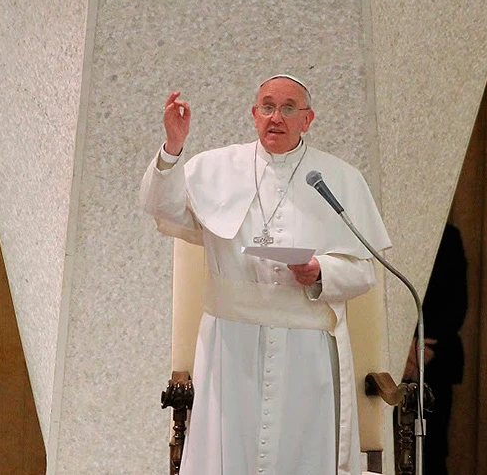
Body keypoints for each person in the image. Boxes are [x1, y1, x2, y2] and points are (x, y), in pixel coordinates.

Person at [139, 75, 391, 475]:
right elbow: (161, 209)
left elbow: (365, 272)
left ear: (307, 120)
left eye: (289, 108)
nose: (277, 117)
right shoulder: (217, 167)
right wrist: (173, 149)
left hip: (307, 351)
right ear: (254, 115)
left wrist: (322, 271)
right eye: (268, 106)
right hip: (230, 348)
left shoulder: (339, 178)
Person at [402, 222, 467, 475]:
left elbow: (456, 304)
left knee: (432, 451)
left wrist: (417, 346)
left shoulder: (447, 235)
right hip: (382, 360)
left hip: (431, 358)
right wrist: (400, 346)